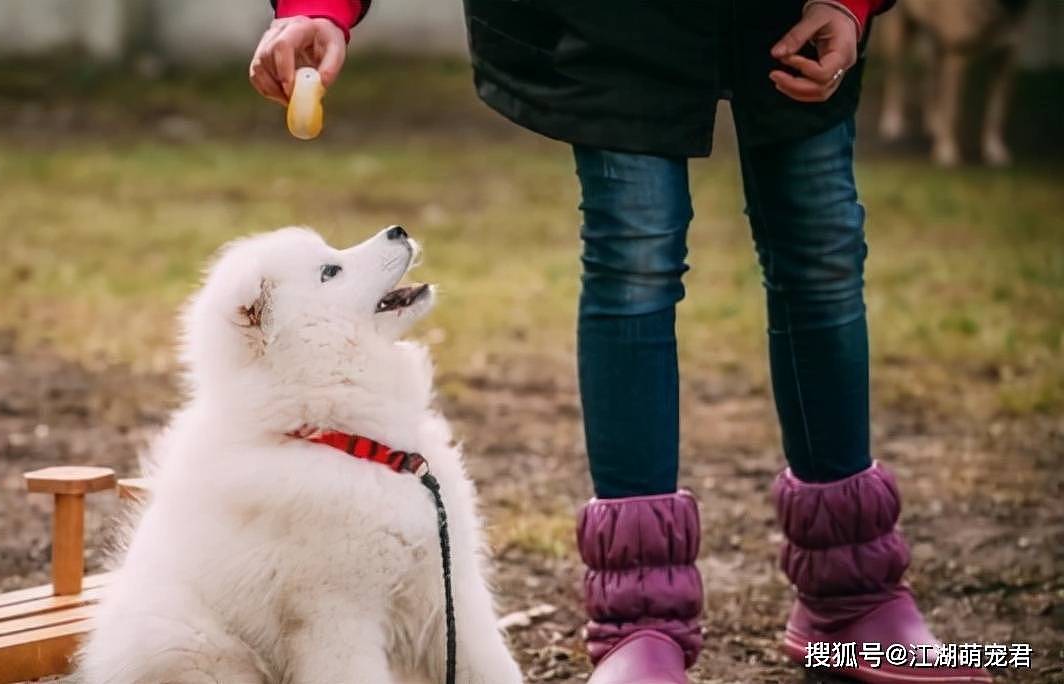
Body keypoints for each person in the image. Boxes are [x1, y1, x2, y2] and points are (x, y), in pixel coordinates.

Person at [248, 2, 992, 683]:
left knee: (823, 249)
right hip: (620, 18)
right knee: (634, 256)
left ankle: (856, 600)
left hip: (796, 4)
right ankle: (641, 626)